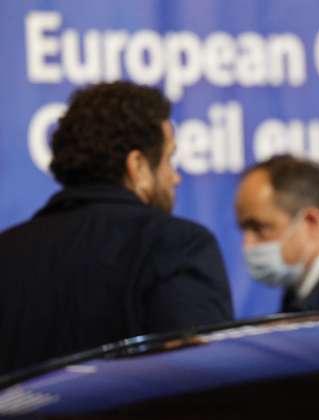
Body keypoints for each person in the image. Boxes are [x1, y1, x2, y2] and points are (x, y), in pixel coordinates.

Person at [0, 81, 234, 375]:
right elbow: (203, 385)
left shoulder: (6, 253)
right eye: (169, 159)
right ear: (137, 165)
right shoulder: (178, 246)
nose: (175, 178)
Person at [235, 155, 319, 312]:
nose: (247, 244)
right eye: (244, 229)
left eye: (259, 227)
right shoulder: (299, 290)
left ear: (311, 222)